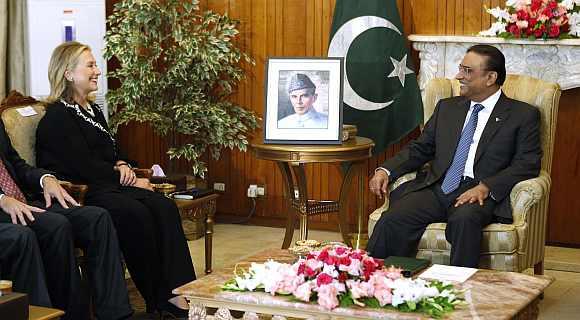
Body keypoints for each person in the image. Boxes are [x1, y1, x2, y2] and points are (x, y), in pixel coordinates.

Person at [35, 41, 195, 318]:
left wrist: (122, 163)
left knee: (164, 207)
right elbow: (82, 165)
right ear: (69, 74)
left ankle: (182, 291)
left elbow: (112, 149)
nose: (98, 70)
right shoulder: (58, 116)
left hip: (108, 184)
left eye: (95, 64)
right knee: (136, 214)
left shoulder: (92, 110)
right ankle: (158, 297)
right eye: (90, 65)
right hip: (84, 192)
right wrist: (129, 181)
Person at [367, 45, 542, 268]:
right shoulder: (447, 108)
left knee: (464, 220)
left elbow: (527, 164)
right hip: (439, 186)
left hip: (480, 192)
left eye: (467, 71)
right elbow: (421, 148)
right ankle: (378, 282)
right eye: (460, 69)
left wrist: (486, 187)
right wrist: (386, 170)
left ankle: (461, 290)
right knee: (393, 219)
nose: (459, 76)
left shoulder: (522, 115)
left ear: (490, 77)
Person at [0, 120, 132, 319]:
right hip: (5, 208)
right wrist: (1, 199)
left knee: (97, 218)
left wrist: (46, 179)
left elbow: (17, 165)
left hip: (26, 200)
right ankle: (67, 314)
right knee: (55, 226)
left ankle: (116, 313)